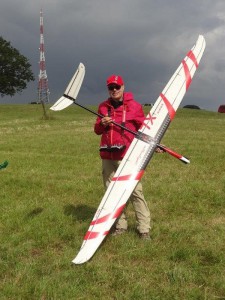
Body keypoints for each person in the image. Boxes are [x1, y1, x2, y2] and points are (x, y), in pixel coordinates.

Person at [94, 74, 152, 240]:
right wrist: (101, 123)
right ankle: (120, 225)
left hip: (128, 156)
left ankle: (144, 229)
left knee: (135, 192)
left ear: (123, 87)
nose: (114, 90)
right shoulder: (103, 107)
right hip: (107, 155)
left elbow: (145, 129)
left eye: (117, 87)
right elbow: (97, 130)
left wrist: (154, 144)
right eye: (111, 87)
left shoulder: (134, 106)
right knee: (111, 192)